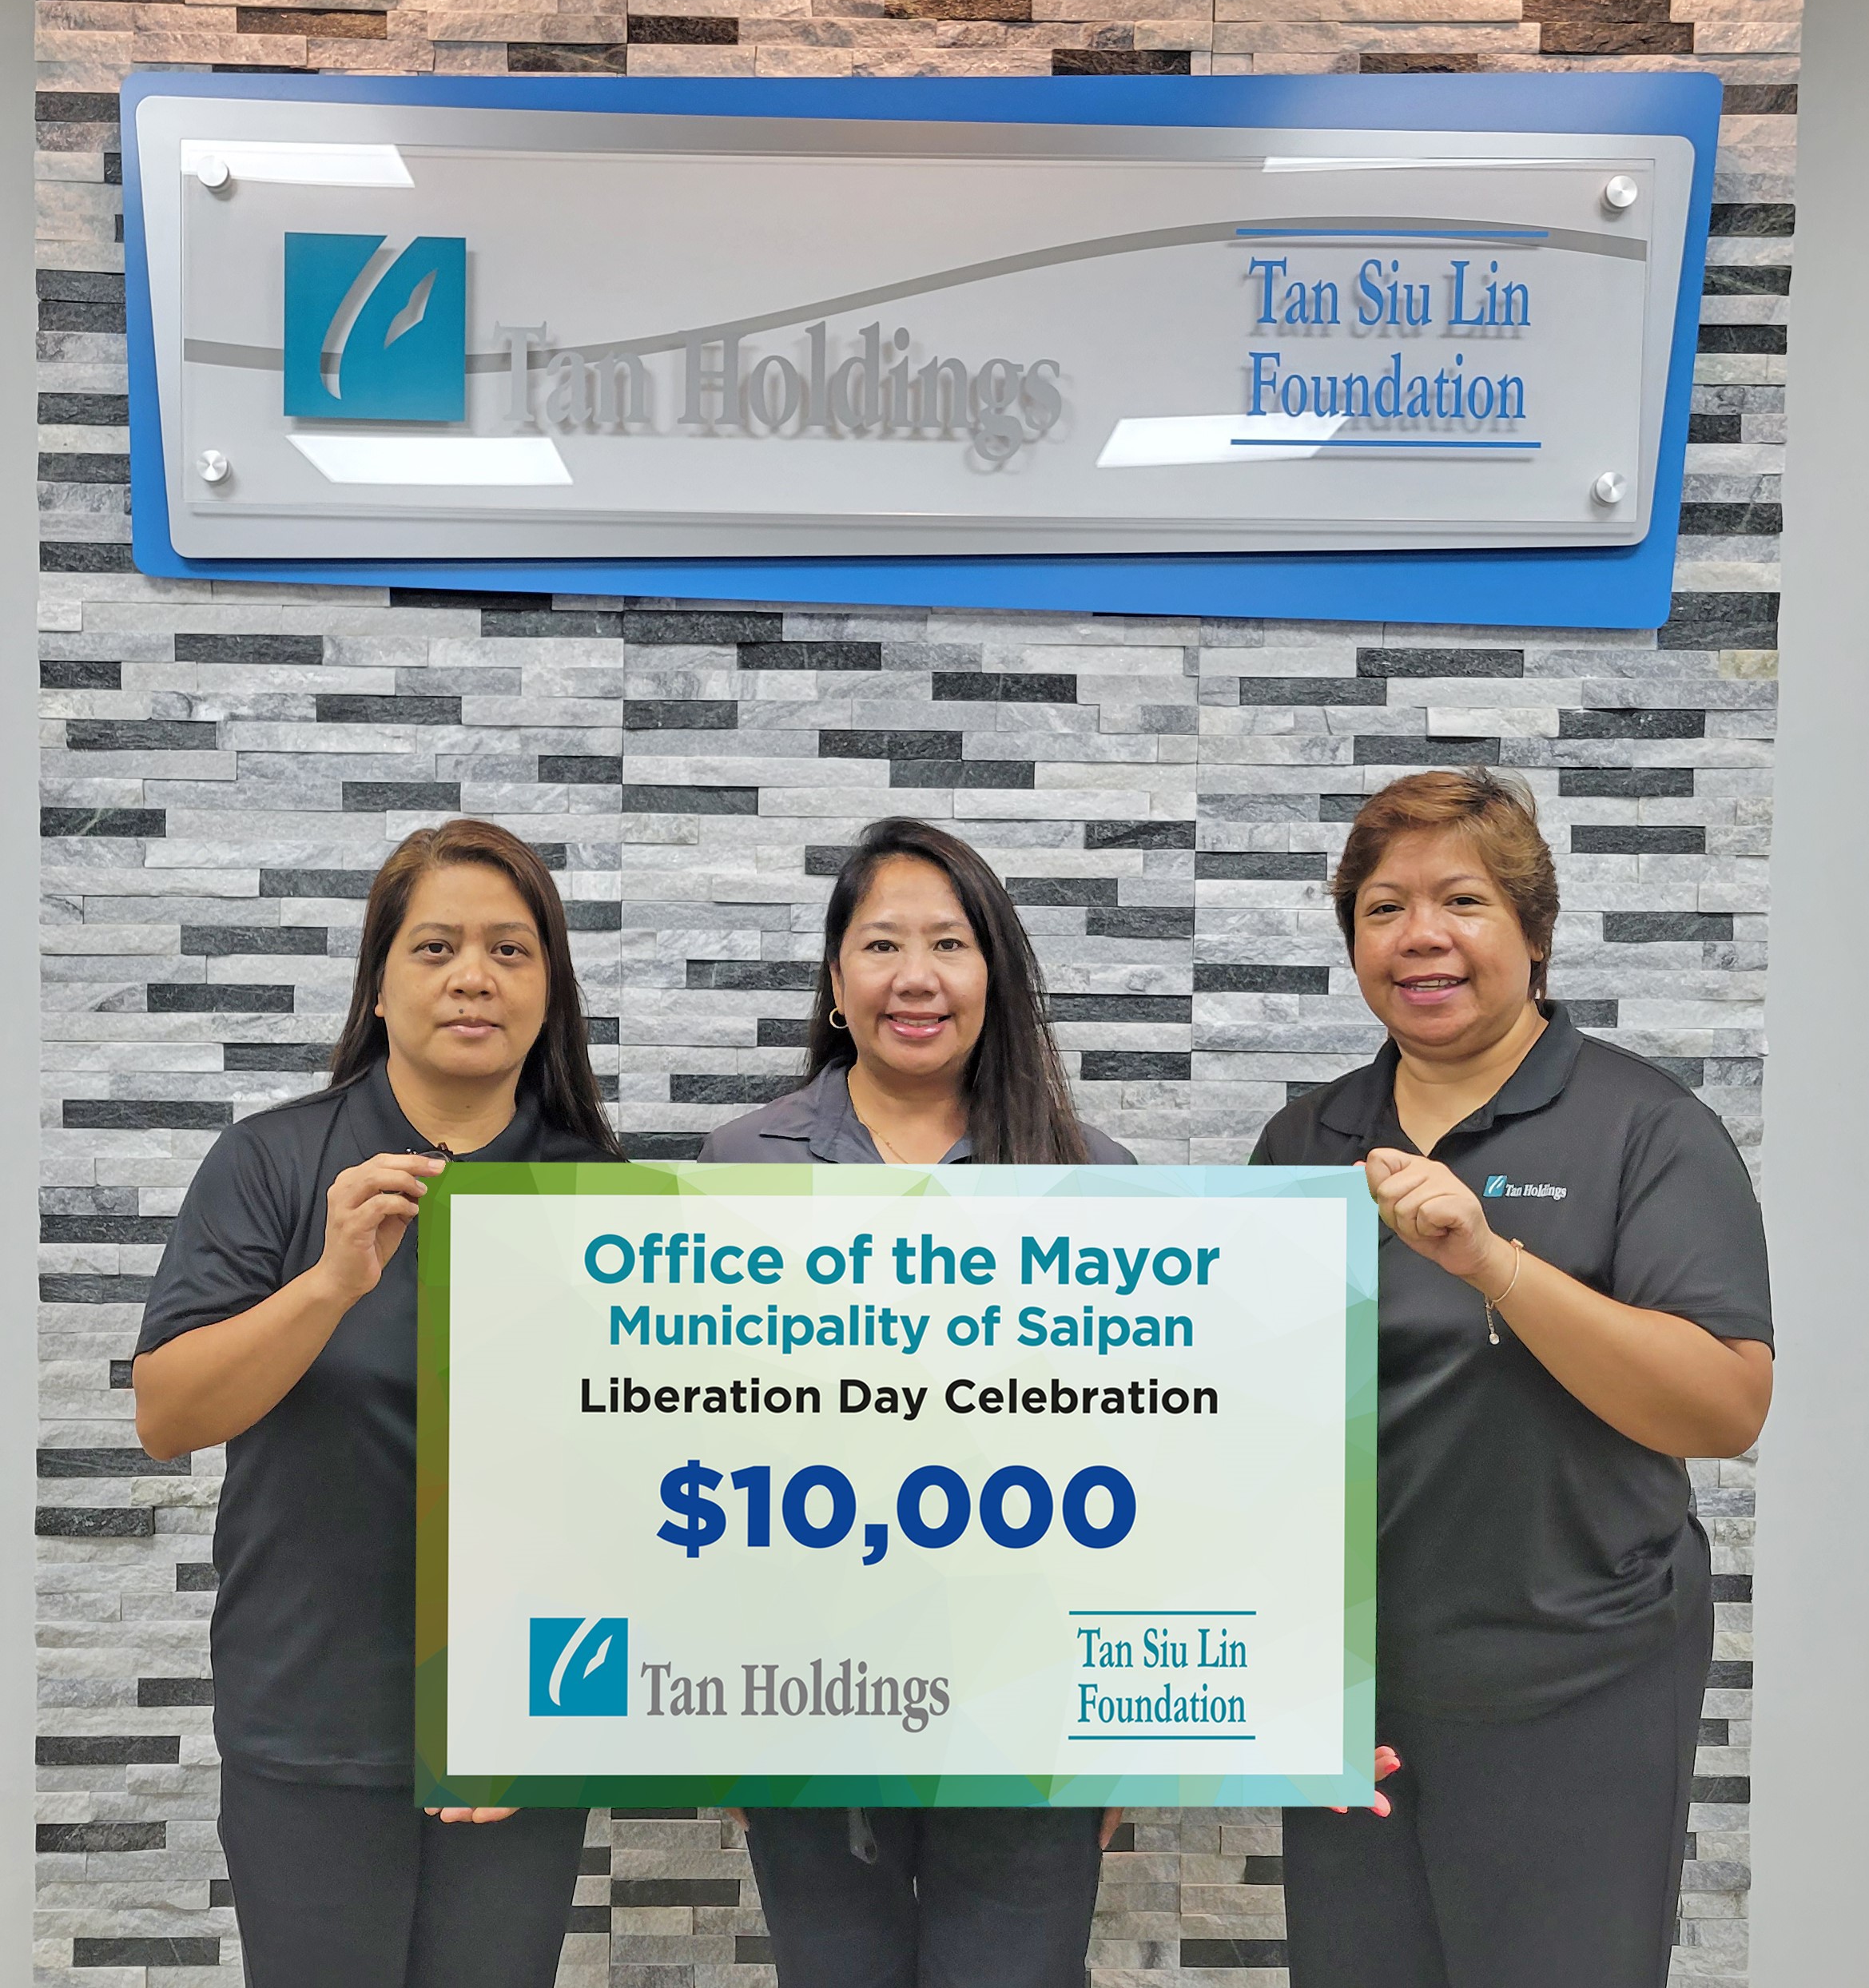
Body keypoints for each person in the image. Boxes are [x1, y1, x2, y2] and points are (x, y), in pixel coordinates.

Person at [1251, 769, 1774, 1988]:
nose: (1420, 935)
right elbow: (1254, 1442)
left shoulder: (1644, 1128)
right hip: (1362, 1709)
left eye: (1463, 900)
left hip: (1579, 1690)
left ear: (1534, 933)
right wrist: (1268, 1684)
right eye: (1383, 908)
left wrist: (1489, 1256)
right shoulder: (1305, 1141)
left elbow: (1724, 1405)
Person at [132, 821, 620, 1988]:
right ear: (381, 983)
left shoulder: (602, 1196)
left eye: (511, 950)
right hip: (309, 1724)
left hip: (520, 1729)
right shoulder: (273, 1163)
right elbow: (168, 1414)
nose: (472, 976)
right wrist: (328, 1283)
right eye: (436, 945)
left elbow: (635, 1492)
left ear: (549, 990)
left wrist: (547, 1723)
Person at [701, 815, 1131, 1988]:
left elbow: (1145, 1454)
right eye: (883, 943)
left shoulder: (1089, 1176)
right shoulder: (742, 1167)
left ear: (995, 973)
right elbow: (695, 1441)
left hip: (1030, 1697)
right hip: (808, 1694)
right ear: (838, 980)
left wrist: (1131, 1732)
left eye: (949, 941)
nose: (917, 976)